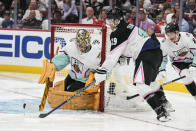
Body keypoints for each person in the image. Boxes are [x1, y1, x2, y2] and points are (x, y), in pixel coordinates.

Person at [93, 8, 171, 122]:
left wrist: (102, 71)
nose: (108, 23)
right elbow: (128, 49)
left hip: (146, 54)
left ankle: (161, 112)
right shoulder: (128, 27)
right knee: (152, 82)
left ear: (117, 20)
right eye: (107, 20)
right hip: (156, 53)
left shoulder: (118, 32)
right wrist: (121, 59)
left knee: (140, 84)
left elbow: (113, 56)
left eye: (110, 20)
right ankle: (165, 104)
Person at [38, 29, 101, 93]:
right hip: (71, 76)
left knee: (69, 95)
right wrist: (54, 65)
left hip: (83, 81)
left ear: (88, 41)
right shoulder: (72, 47)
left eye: (83, 43)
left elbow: (101, 70)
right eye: (79, 42)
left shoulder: (95, 55)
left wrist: (94, 78)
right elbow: (64, 58)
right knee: (61, 92)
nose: (81, 45)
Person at [158, 22, 196, 101]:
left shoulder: (187, 37)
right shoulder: (165, 43)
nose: (169, 37)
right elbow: (164, 59)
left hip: (192, 59)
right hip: (178, 63)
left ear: (177, 32)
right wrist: (162, 69)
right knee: (186, 76)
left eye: (171, 34)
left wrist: (194, 65)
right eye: (167, 34)